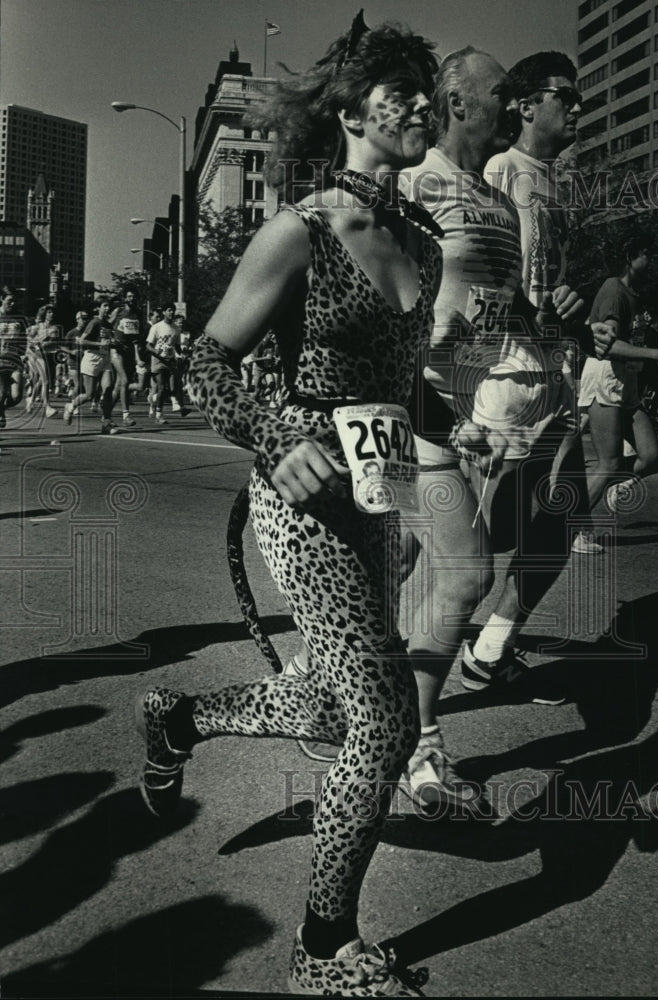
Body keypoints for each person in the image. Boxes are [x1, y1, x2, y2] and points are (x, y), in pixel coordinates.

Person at [135, 18, 441, 996]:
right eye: (399, 87)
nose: (422, 103)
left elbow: (398, 386)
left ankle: (180, 719)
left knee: (326, 701)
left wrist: (426, 472)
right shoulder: (299, 229)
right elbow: (207, 362)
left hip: (376, 498)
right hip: (299, 500)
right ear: (350, 110)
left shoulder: (423, 242)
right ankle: (322, 944)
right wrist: (276, 439)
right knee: (385, 722)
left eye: (428, 88)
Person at [398, 47, 611, 814]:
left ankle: (400, 709)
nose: (510, 101)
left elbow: (510, 303)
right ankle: (400, 727)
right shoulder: (425, 185)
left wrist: (564, 319)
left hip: (479, 402)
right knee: (448, 564)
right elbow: (384, 300)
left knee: (450, 562)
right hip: (427, 401)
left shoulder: (502, 198)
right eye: (500, 91)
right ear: (461, 101)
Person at [484, 50, 598, 555]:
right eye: (565, 97)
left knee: (542, 531)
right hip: (507, 369)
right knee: (490, 537)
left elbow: (549, 275)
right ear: (526, 107)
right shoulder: (501, 168)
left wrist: (575, 308)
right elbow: (484, 268)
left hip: (554, 366)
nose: (577, 108)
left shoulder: (555, 184)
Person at [577, 240, 658, 524]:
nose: (654, 262)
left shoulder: (636, 294)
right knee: (609, 462)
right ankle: (570, 527)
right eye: (649, 254)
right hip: (605, 375)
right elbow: (608, 346)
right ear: (630, 257)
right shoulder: (614, 289)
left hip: (626, 380)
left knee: (650, 455)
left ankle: (589, 487)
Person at [63, 299, 117, 434]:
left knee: (108, 390)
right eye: (104, 306)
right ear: (98, 308)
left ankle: (106, 423)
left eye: (109, 306)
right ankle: (70, 406)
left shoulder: (108, 324)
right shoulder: (94, 322)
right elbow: (82, 341)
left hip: (105, 359)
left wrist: (114, 343)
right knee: (89, 394)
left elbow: (109, 341)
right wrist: (99, 344)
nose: (107, 309)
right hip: (92, 358)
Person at [108, 285, 143, 427]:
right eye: (129, 296)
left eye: (134, 296)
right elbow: (106, 325)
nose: (132, 299)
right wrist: (111, 339)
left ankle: (106, 414)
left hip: (129, 350)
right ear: (125, 298)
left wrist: (137, 355)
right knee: (125, 380)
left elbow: (137, 336)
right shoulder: (118, 311)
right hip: (116, 350)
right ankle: (126, 416)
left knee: (118, 386)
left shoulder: (138, 313)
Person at [146, 302, 185, 424]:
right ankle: (159, 415)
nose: (171, 312)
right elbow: (148, 345)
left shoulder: (176, 328)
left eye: (173, 310)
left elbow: (177, 346)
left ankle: (155, 399)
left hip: (170, 360)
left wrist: (183, 354)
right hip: (158, 360)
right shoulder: (156, 327)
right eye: (169, 310)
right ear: (163, 312)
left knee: (172, 388)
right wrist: (155, 351)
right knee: (162, 387)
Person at [0, 286, 28, 429]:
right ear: (1, 299)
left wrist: (24, 356)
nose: (12, 303)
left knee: (16, 397)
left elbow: (23, 340)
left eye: (14, 301)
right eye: (10, 300)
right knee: (1, 393)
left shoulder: (20, 318)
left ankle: (1, 410)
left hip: (14, 361)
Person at [63, 310, 89, 407]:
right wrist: (71, 352)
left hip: (85, 362)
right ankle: (72, 405)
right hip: (74, 362)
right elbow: (63, 347)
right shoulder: (71, 333)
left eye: (86, 319)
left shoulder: (88, 333)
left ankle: (73, 401)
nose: (85, 321)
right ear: (77, 319)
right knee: (78, 386)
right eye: (83, 319)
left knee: (84, 387)